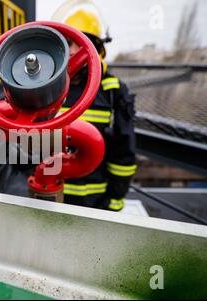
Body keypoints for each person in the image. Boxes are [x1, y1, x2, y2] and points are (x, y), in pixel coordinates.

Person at [60, 9, 136, 211]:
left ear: (94, 48)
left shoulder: (112, 90)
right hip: (49, 194)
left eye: (79, 42)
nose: (72, 51)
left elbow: (123, 150)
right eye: (67, 43)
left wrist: (114, 200)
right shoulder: (49, 89)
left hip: (94, 203)